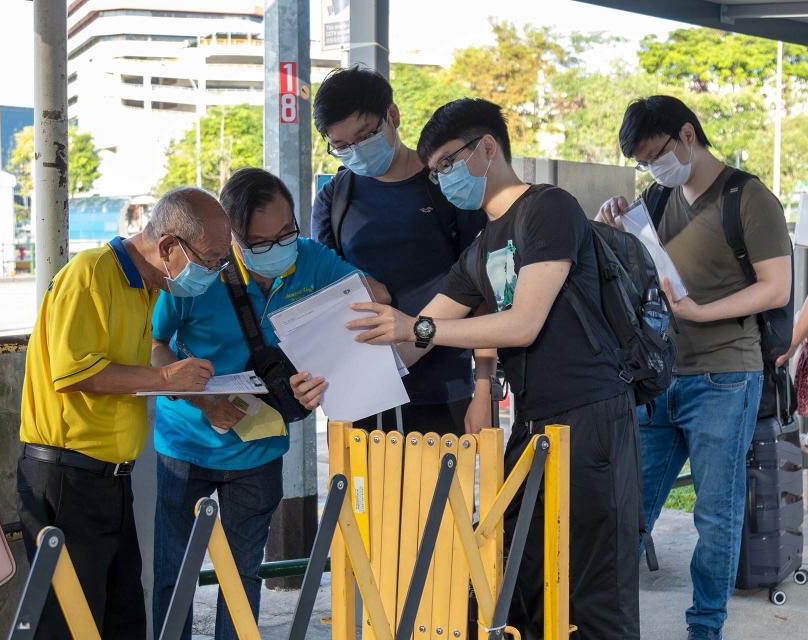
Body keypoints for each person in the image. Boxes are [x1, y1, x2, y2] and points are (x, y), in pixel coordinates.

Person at [295, 98, 643, 640]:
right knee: (524, 584)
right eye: (433, 171)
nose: (440, 180)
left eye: (447, 166)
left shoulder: (548, 209)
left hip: (592, 418)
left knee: (591, 591)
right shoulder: (483, 245)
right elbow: (409, 342)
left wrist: (419, 329)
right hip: (535, 422)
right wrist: (330, 381)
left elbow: (520, 323)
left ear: (487, 149)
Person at [151, 168, 387, 639]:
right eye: (261, 242)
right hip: (185, 445)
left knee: (242, 575)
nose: (279, 247)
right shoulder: (197, 276)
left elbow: (375, 298)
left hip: (259, 451)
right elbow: (154, 345)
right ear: (229, 237)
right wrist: (201, 401)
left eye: (287, 233)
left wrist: (318, 356)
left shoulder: (309, 259)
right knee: (172, 575)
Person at [598, 96, 792, 640]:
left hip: (726, 377)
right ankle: (604, 619)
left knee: (715, 513)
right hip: (659, 378)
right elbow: (632, 275)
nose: (652, 168)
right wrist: (610, 225)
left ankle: (705, 628)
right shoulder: (656, 199)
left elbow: (775, 287)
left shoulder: (748, 197)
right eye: (642, 162)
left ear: (687, 135)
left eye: (656, 154)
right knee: (627, 506)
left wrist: (702, 312)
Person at [16, 188, 231, 639]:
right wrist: (167, 380)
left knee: (123, 616)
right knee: (67, 622)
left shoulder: (145, 288)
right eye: (210, 261)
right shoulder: (92, 272)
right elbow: (73, 373)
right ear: (170, 246)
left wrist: (195, 391)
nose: (212, 273)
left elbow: (136, 367)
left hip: (111, 478)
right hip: (67, 475)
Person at [312, 66, 493, 435]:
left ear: (392, 116)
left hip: (441, 390)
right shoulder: (335, 197)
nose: (355, 152)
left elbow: (481, 293)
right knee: (359, 495)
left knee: (438, 494)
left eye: (364, 137)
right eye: (342, 146)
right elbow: (324, 292)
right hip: (359, 390)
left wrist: (485, 388)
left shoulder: (447, 188)